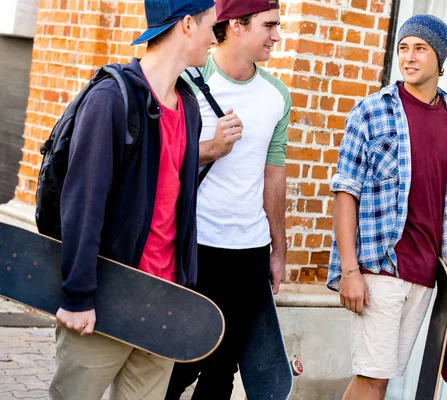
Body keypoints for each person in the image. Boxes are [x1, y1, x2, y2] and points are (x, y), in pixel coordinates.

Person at [47, 1, 217, 399]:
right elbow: (83, 203)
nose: (215, 37)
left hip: (163, 302)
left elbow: (179, 206)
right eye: (211, 25)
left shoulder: (189, 106)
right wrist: (77, 296)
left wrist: (184, 289)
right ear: (187, 25)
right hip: (107, 298)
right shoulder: (111, 98)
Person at [329, 14, 447, 400]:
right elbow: (346, 192)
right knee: (373, 377)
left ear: (439, 58)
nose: (408, 57)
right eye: (403, 48)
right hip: (381, 264)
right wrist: (349, 271)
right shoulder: (371, 111)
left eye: (420, 49)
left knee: (378, 377)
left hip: (426, 274)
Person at [164, 0, 291, 398]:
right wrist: (211, 148)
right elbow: (160, 155)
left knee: (224, 367)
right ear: (236, 25)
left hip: (248, 251)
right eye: (268, 25)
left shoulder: (276, 95)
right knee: (180, 362)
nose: (276, 35)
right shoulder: (186, 80)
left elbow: (274, 175)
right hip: (194, 245)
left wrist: (278, 250)